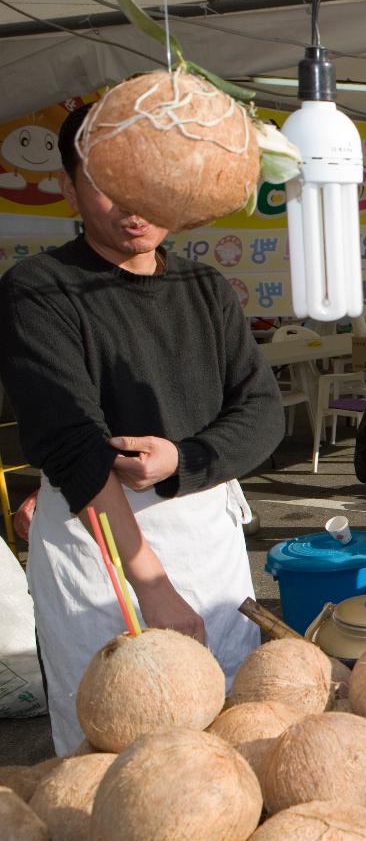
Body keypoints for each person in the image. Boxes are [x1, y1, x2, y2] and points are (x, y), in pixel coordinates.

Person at [0, 105, 284, 754]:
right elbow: (73, 442)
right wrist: (150, 581)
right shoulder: (36, 290)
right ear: (68, 187)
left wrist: (186, 458)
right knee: (117, 741)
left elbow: (262, 412)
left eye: (149, 182)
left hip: (204, 536)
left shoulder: (204, 289)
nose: (132, 205)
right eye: (106, 182)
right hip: (100, 542)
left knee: (224, 735)